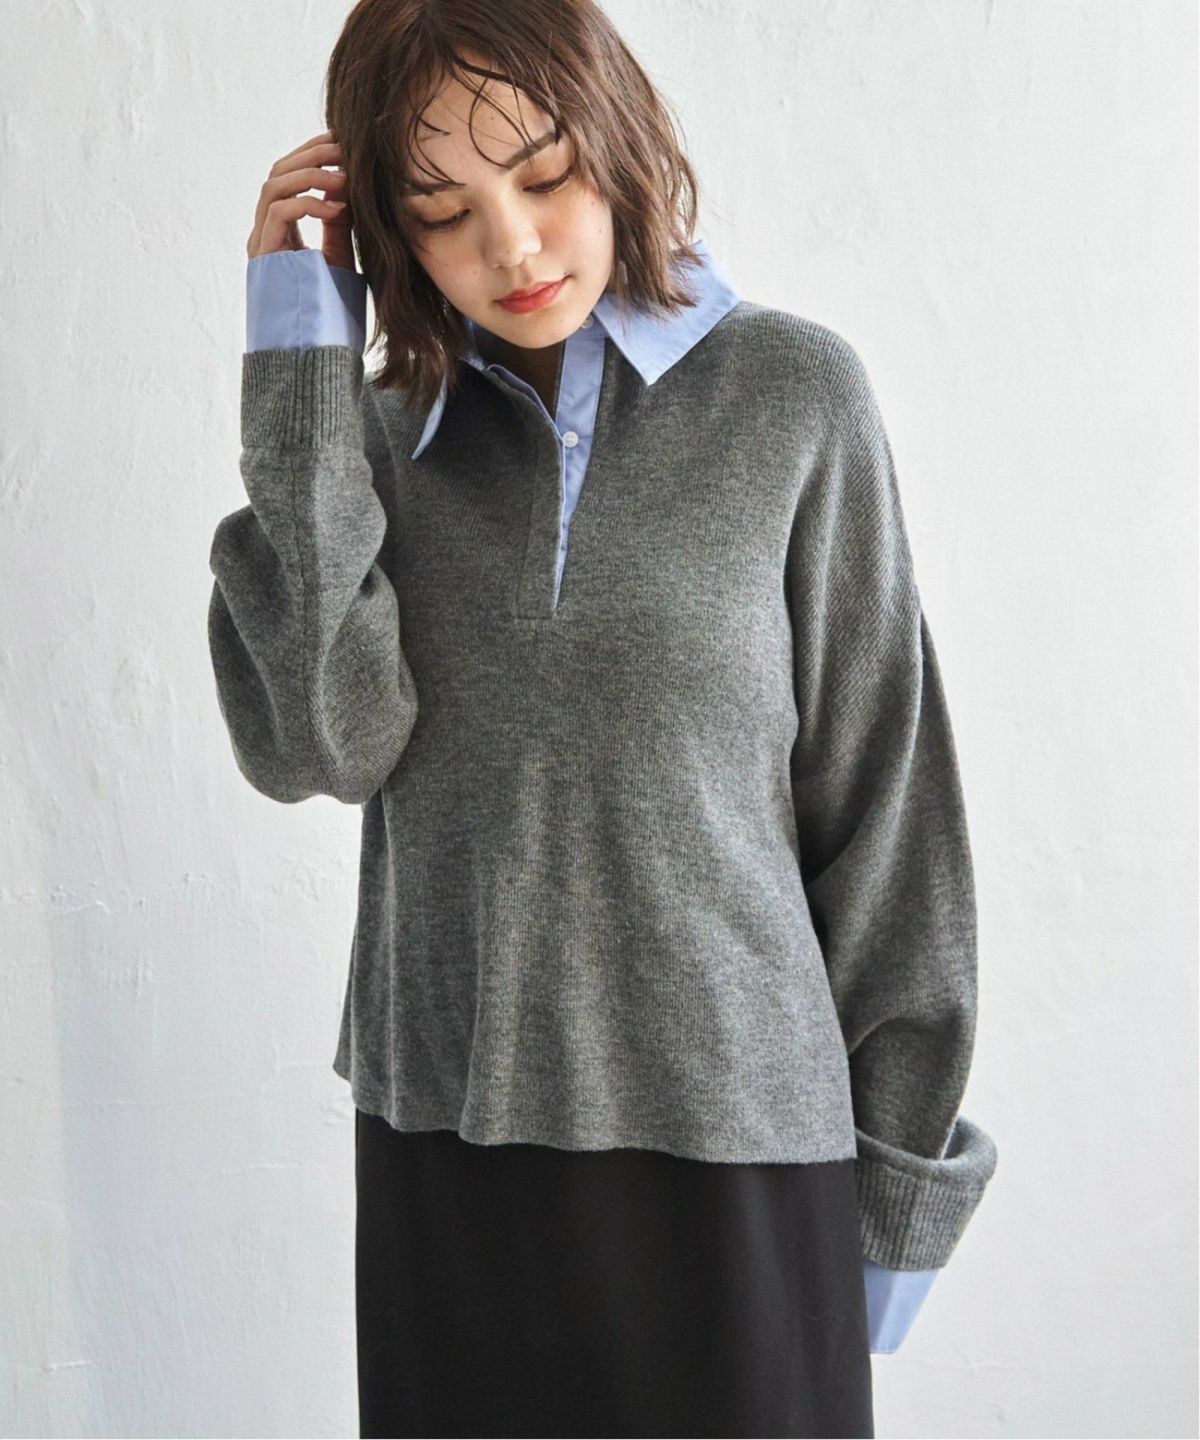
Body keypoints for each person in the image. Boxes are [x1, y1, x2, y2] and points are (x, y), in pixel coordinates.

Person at [207, 1, 999, 1435]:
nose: (512, 247)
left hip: (742, 1169)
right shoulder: (371, 448)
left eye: (546, 174)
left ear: (618, 137)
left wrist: (895, 1204)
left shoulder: (794, 399)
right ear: (387, 236)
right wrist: (300, 374)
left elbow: (888, 817)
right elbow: (321, 746)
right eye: (443, 213)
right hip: (452, 1147)